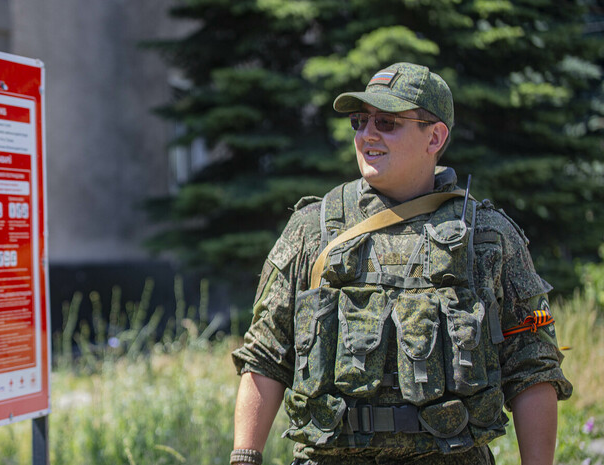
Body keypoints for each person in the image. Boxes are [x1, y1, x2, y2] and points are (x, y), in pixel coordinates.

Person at [229, 62, 572, 465]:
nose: (367, 135)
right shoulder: (312, 230)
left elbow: (532, 369)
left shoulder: (486, 236)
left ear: (435, 137)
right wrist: (245, 457)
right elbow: (266, 356)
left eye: (387, 122)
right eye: (359, 121)